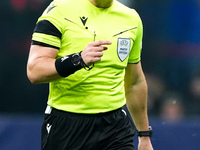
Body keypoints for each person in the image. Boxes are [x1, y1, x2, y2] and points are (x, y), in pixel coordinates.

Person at [27, 0, 153, 149]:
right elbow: (34, 70)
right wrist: (78, 60)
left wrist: (144, 136)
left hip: (115, 127)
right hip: (67, 125)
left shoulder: (131, 19)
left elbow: (134, 82)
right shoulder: (59, 10)